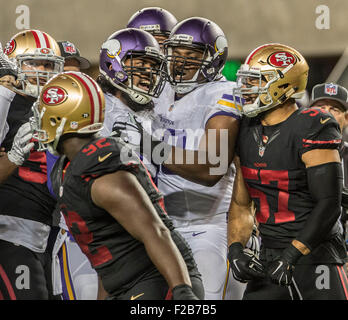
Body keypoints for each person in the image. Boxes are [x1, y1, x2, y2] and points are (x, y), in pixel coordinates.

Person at [31, 70, 204, 300]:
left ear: (60, 119)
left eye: (44, 113)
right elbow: (108, 255)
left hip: (160, 283)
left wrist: (183, 292)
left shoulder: (104, 177)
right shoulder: (71, 167)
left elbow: (156, 232)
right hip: (129, 284)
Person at [131, 17, 254, 300]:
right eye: (176, 53)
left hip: (207, 228)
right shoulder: (158, 92)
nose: (181, 62)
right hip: (161, 227)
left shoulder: (223, 94)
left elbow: (213, 165)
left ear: (213, 59)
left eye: (193, 55)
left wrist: (149, 146)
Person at [227, 43, 348, 299]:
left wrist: (293, 253)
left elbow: (328, 204)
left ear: (284, 85)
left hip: (316, 257)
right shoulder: (246, 128)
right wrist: (236, 249)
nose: (247, 89)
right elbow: (241, 203)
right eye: (246, 81)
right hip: (269, 256)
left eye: (257, 81)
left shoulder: (313, 125)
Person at [0, 29, 64, 300]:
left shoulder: (57, 110)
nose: (40, 71)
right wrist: (14, 158)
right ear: (14, 65)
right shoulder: (5, 101)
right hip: (10, 231)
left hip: (48, 235)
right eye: (32, 63)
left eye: (47, 65)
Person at [309, 82, 348, 275]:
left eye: (334, 108)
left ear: (346, 118)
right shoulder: (289, 151)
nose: (327, 113)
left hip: (340, 249)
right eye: (321, 107)